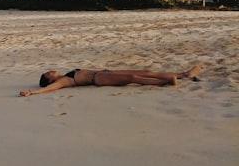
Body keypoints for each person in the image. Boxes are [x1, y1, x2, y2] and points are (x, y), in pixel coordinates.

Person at [19, 65, 203, 97]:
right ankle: (167, 81)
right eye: (48, 72)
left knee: (145, 71)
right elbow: (49, 89)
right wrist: (32, 92)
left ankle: (183, 74)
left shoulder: (67, 74)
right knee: (133, 78)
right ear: (49, 78)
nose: (51, 71)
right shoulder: (65, 80)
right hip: (98, 78)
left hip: (105, 72)